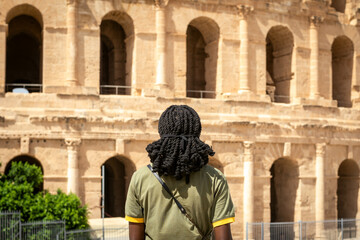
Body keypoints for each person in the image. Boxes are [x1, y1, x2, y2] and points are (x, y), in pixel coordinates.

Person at [125, 105, 235, 240]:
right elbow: (223, 237)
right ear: (197, 132)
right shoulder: (215, 178)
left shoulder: (140, 178)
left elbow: (135, 236)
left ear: (161, 133)